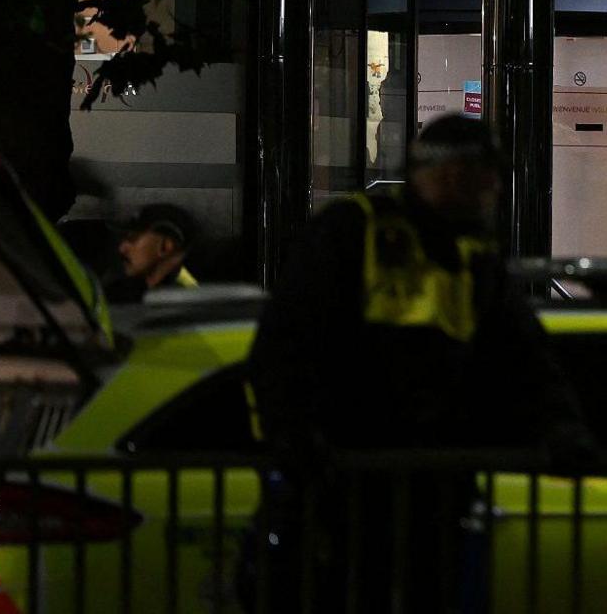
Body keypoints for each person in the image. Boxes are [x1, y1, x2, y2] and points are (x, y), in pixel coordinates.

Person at [247, 115, 587, 612]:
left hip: (432, 488)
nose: (495, 189)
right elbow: (286, 342)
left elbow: (522, 354)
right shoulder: (354, 230)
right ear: (456, 175)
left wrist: (562, 427)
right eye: (488, 176)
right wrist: (295, 436)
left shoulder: (471, 252)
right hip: (347, 485)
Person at [103, 203, 198, 303]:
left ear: (165, 246)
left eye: (133, 238)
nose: (122, 249)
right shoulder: (120, 289)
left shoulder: (191, 292)